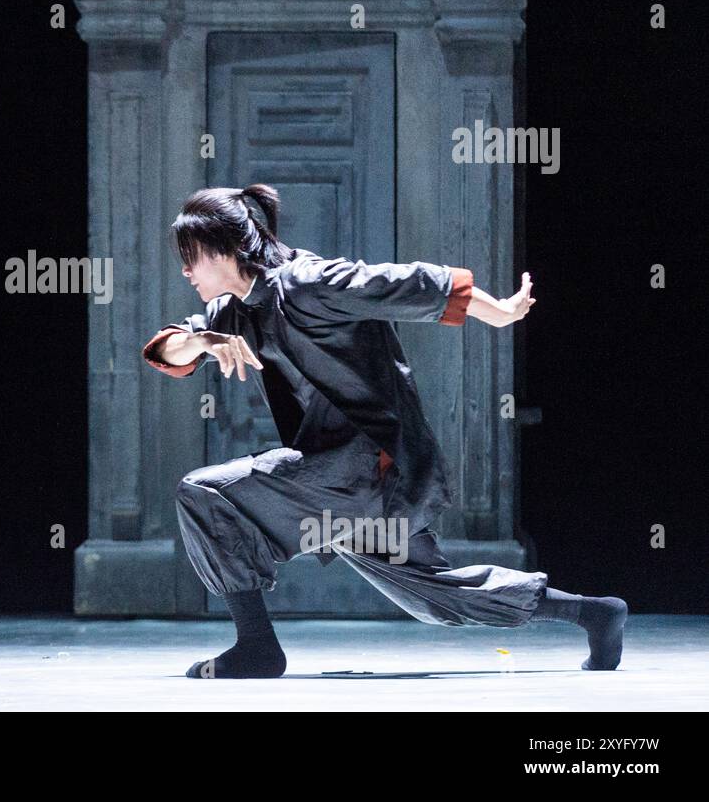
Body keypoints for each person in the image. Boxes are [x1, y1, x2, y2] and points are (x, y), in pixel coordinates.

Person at [142, 184, 627, 679]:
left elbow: (418, 283)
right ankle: (595, 613)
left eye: (191, 256)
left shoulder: (309, 283)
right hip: (341, 477)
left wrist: (499, 313)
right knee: (433, 595)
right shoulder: (233, 312)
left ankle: (256, 647)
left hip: (372, 470)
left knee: (203, 493)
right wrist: (201, 339)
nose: (185, 270)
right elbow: (167, 350)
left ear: (225, 248)